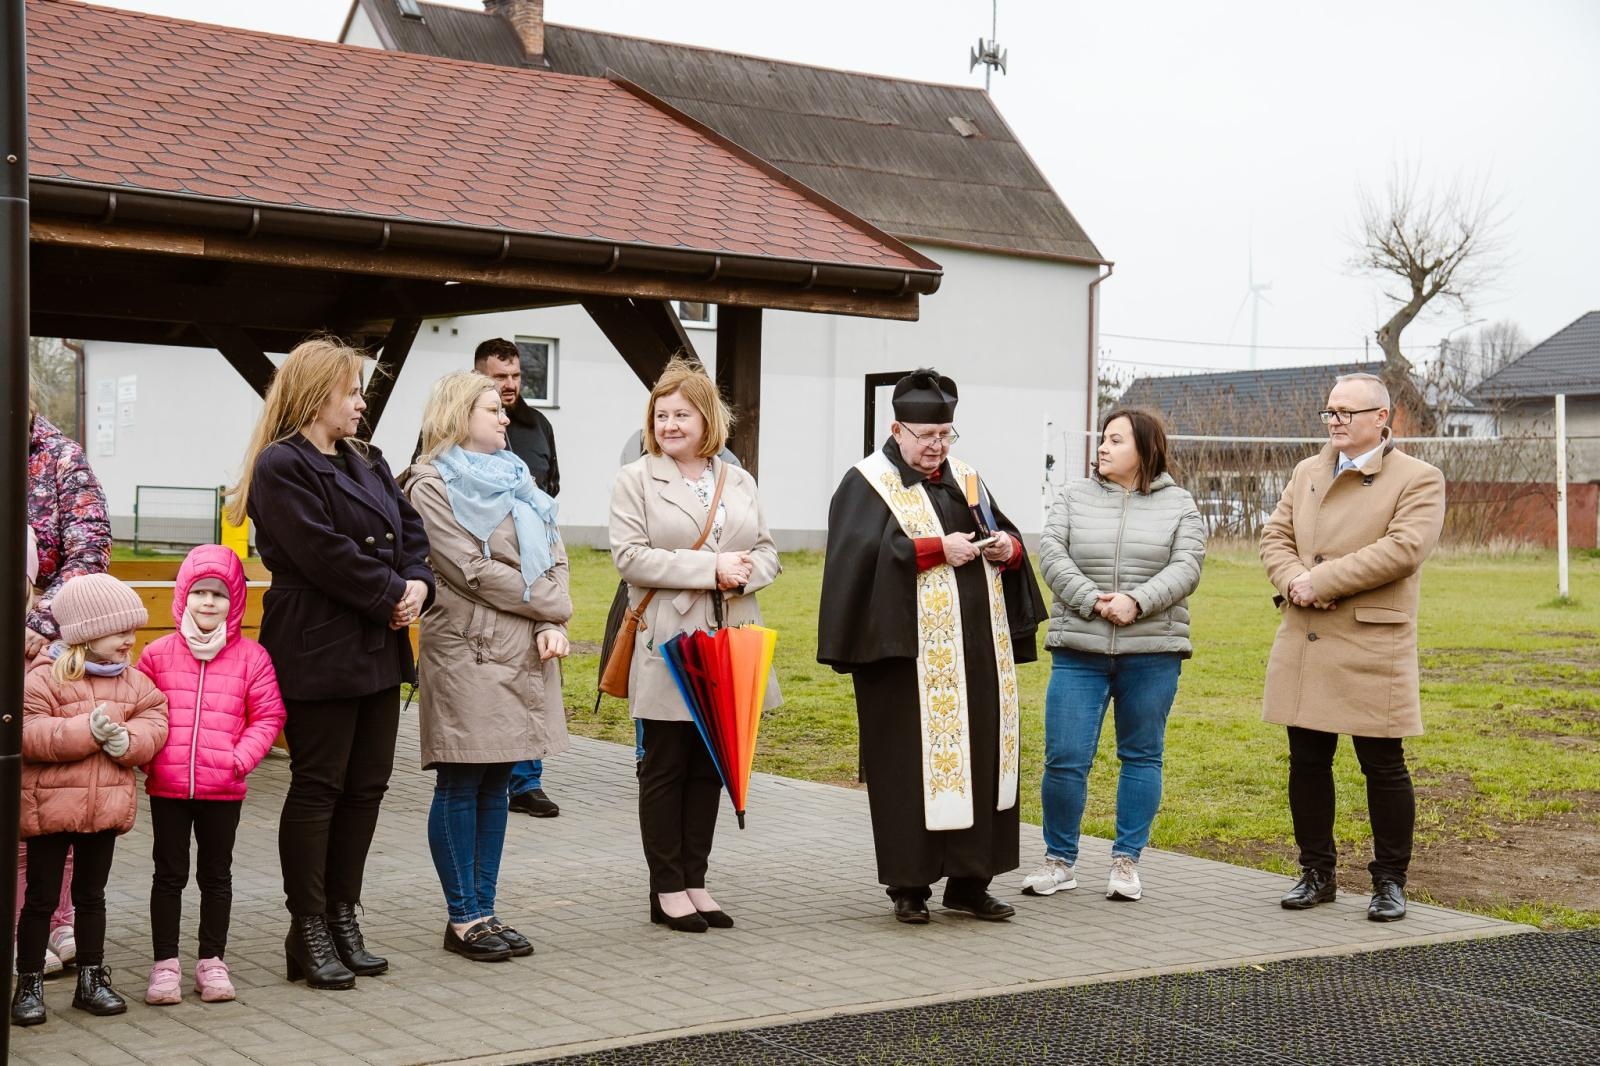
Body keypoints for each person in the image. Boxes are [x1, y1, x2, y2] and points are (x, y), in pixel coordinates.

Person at [227, 337, 435, 989]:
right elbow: (322, 553)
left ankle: (346, 913)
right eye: (351, 390)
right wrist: (390, 595)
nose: (360, 401)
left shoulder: (368, 459)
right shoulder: (280, 466)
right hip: (319, 636)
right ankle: (308, 925)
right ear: (318, 395)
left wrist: (418, 584)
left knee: (367, 785)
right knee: (320, 785)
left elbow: (411, 531)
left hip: (377, 637)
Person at [818, 369, 1047, 925]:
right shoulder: (866, 481)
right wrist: (933, 549)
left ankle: (971, 882)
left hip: (977, 654)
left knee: (983, 761)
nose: (937, 447)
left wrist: (1008, 550)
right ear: (897, 429)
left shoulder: (965, 477)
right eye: (927, 437)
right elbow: (858, 559)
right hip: (904, 656)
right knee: (908, 766)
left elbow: (1005, 533)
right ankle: (909, 885)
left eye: (947, 435)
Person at [1260, 372, 1445, 922]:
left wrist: (1324, 581)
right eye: (1330, 412)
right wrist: (1295, 579)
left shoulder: (1419, 477)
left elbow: (1404, 549)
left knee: (1383, 765)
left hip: (1371, 640)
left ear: (1381, 419)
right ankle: (1316, 872)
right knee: (1307, 761)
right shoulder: (1307, 471)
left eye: (1347, 412)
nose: (1335, 421)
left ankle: (1390, 881)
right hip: (1306, 636)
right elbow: (1275, 536)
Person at [401, 372, 573, 963]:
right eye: (491, 409)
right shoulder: (428, 484)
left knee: (499, 780)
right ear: (456, 414)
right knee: (462, 778)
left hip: (523, 646)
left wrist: (553, 619)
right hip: (468, 649)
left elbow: (554, 549)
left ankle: (487, 907)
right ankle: (463, 916)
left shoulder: (518, 477)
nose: (505, 418)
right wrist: (549, 602)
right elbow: (464, 566)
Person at [610, 356, 780, 933]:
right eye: (661, 416)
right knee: (666, 763)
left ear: (708, 419)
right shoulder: (636, 479)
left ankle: (696, 878)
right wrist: (710, 568)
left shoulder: (739, 480)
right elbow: (629, 557)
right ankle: (665, 888)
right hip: (670, 636)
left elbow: (768, 551)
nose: (670, 425)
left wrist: (743, 572)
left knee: (714, 761)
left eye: (682, 414)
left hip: (732, 634)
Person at [1026, 408, 1206, 903]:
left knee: (1142, 756)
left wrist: (1136, 601)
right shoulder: (1070, 497)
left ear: (1146, 450)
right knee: (1064, 759)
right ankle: (1059, 861)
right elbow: (1052, 555)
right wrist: (1093, 600)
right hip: (1079, 648)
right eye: (1103, 439)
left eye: (1115, 440)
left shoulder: (1180, 505)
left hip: (1152, 652)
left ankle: (1126, 863)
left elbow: (1187, 566)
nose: (1102, 448)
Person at [12, 574, 169, 1026]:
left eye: (132, 631)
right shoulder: (44, 678)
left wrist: (130, 741)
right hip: (50, 811)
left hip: (103, 812)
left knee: (92, 896)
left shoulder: (133, 682)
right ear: (86, 631)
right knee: (40, 899)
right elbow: (28, 732)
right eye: (120, 630)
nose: (129, 640)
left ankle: (93, 978)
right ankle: (29, 983)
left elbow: (155, 719)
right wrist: (86, 732)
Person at [135, 545, 288, 1003]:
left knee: (216, 875)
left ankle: (212, 961)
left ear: (235, 601)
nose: (208, 602)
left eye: (219, 595)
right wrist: (151, 758)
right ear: (184, 595)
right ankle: (165, 965)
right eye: (199, 592)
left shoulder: (251, 658)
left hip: (224, 788)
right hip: (168, 787)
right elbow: (139, 709)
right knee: (169, 874)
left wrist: (239, 759)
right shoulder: (158, 655)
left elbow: (268, 715)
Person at [20, 400, 113, 973]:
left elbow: (89, 547)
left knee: (53, 791)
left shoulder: (59, 458)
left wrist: (35, 623)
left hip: (39, 646)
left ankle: (57, 919)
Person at [473, 338, 564, 820]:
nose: (509, 386)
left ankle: (527, 782)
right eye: (498, 377)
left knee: (533, 670)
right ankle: (486, 772)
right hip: (482, 570)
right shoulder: (448, 426)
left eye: (515, 376)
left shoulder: (537, 425)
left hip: (532, 566)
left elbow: (551, 492)